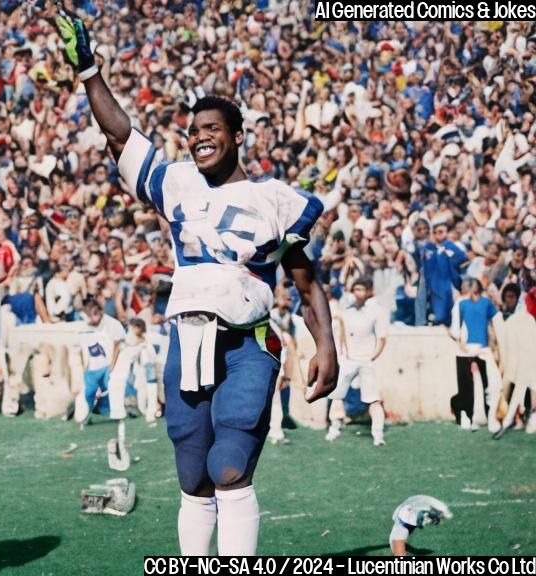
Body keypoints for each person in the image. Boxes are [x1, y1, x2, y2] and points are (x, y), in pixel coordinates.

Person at [54, 6, 338, 556]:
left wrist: (326, 345)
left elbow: (306, 283)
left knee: (229, 466)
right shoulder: (177, 182)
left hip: (246, 345)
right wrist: (89, 70)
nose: (199, 138)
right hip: (186, 340)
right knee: (192, 475)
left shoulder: (274, 198)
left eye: (211, 129)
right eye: (192, 132)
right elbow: (119, 135)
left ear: (236, 135)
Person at [325, 279, 388, 446]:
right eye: (356, 289)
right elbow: (340, 332)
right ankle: (334, 429)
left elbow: (382, 339)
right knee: (337, 396)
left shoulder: (376, 312)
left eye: (362, 289)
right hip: (349, 361)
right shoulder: (347, 312)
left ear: (368, 291)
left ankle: (378, 435)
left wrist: (371, 357)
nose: (359, 293)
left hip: (366, 361)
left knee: (373, 399)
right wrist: (343, 355)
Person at [450, 278, 502, 433]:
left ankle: (492, 417)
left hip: (484, 350)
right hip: (467, 351)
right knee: (470, 389)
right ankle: (472, 418)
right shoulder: (461, 304)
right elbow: (455, 330)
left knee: (493, 385)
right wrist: (462, 345)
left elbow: (496, 321)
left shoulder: (486, 303)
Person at [491, 284, 536, 438]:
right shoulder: (507, 319)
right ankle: (509, 420)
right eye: (507, 297)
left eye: (512, 297)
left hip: (528, 362)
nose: (510, 300)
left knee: (528, 391)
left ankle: (522, 420)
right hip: (518, 363)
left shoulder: (527, 320)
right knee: (516, 392)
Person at [78, 296, 125, 429]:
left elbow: (118, 344)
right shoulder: (84, 325)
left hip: (107, 363)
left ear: (99, 313)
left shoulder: (112, 324)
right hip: (91, 366)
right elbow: (81, 348)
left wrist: (112, 364)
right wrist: (84, 366)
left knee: (109, 388)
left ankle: (112, 412)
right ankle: (89, 413)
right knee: (89, 392)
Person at [421, 222, 467, 326]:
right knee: (437, 315)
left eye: (442, 232)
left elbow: (463, 258)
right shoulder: (428, 247)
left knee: (449, 314)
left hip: (448, 283)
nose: (440, 234)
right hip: (432, 284)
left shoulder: (449, 245)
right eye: (437, 232)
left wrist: (449, 257)